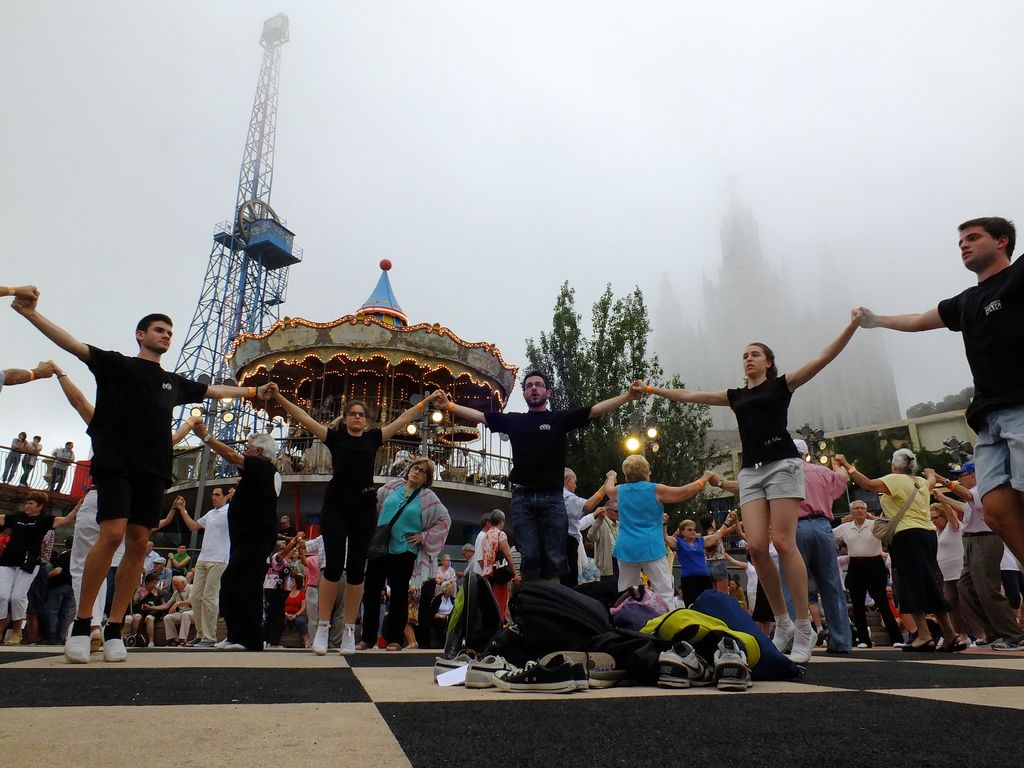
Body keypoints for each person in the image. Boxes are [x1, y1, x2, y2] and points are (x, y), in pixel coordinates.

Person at [10, 293, 272, 663]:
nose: (166, 336)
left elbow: (214, 390)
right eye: (159, 330)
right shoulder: (116, 365)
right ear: (140, 334)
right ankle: (84, 624)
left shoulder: (173, 381)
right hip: (117, 465)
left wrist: (252, 391)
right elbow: (69, 343)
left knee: (137, 544)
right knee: (112, 534)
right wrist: (31, 313)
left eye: (169, 332)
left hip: (154, 471)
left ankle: (115, 627)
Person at [644, 311, 862, 663]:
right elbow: (690, 395)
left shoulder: (782, 385)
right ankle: (782, 622)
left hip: (782, 465)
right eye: (744, 355)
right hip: (750, 471)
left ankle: (805, 625)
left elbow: (823, 359)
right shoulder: (734, 395)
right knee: (757, 547)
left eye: (755, 354)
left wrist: (851, 326)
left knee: (783, 542)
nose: (748, 359)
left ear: (769, 362)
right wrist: (653, 389)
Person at [856, 217, 1024, 569]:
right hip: (988, 420)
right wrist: (877, 320)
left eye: (974, 238)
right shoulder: (965, 302)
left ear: (1002, 241)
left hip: (1020, 406)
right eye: (961, 240)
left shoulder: (1018, 276)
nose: (964, 245)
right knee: (995, 511)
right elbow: (919, 321)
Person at [270, 385, 445, 655]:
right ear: (345, 417)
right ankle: (324, 626)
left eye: (361, 414)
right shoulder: (333, 437)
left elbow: (402, 420)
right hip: (336, 505)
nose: (357, 417)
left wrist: (427, 402)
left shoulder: (373, 439)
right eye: (352, 413)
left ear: (367, 419)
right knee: (333, 566)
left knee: (355, 570)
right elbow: (304, 418)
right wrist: (280, 397)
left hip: (363, 507)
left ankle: (350, 630)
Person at [442, 371, 640, 583]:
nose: (533, 388)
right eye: (529, 386)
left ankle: (551, 607)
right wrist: (449, 406)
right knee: (530, 557)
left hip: (552, 497)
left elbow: (594, 410)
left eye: (538, 385)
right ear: (525, 393)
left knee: (555, 558)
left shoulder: (559, 419)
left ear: (548, 392)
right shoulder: (514, 421)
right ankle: (530, 608)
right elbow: (480, 417)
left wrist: (627, 396)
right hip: (523, 497)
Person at [49, 365, 192, 654]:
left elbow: (79, 403)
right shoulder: (143, 434)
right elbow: (169, 443)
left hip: (103, 496)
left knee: (84, 564)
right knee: (114, 563)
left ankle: (88, 624)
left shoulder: (108, 425)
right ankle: (104, 623)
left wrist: (61, 374)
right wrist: (190, 425)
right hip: (129, 502)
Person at [836, 449, 958, 652]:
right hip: (927, 534)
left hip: (906, 535)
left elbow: (867, 484)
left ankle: (924, 635)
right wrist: (930, 474)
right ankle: (949, 633)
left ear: (894, 465)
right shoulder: (920, 481)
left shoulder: (895, 479)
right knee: (929, 582)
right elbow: (930, 481)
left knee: (910, 583)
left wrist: (848, 464)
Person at [191, 421, 281, 652]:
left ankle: (249, 637)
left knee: (243, 582)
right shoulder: (258, 473)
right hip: (245, 537)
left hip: (255, 537)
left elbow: (231, 455)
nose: (244, 450)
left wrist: (207, 436)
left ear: (259, 452)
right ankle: (235, 634)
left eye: (249, 447)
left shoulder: (263, 468)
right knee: (231, 581)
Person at [928, 463, 1024, 650]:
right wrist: (944, 499)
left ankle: (1014, 635)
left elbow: (968, 496)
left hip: (985, 539)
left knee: (987, 589)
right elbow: (965, 506)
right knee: (966, 588)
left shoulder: (984, 488)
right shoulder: (974, 491)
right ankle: (993, 632)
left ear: (973, 475)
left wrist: (942, 480)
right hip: (972, 540)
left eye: (961, 475)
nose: (959, 478)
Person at [358, 457, 450, 651]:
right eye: (415, 468)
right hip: (381, 546)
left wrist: (423, 536)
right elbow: (373, 504)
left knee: (399, 594)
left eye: (422, 471)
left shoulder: (427, 497)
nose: (416, 472)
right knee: (371, 590)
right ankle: (367, 637)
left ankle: (395, 639)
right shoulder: (392, 487)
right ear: (409, 470)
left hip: (404, 549)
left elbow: (444, 520)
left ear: (427, 478)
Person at [778, 439, 855, 654]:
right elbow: (842, 480)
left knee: (793, 584)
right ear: (805, 454)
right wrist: (838, 465)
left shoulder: (781, 473)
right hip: (823, 526)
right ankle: (841, 640)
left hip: (794, 526)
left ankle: (796, 639)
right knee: (830, 584)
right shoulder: (821, 471)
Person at [602, 457, 716, 602]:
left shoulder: (620, 491)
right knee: (664, 591)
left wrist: (611, 477)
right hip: (651, 547)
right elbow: (684, 492)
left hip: (626, 547)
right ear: (646, 471)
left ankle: (630, 621)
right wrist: (704, 478)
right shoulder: (655, 490)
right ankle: (666, 621)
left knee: (628, 591)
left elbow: (608, 490)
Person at [0, 492, 77, 646]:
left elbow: (67, 520)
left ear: (40, 506)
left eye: (31, 503)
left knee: (17, 597)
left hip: (28, 563)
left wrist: (77, 508)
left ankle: (17, 631)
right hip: (8, 561)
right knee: (2, 595)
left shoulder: (45, 520)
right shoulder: (16, 517)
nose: (27, 506)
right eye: (26, 503)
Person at [832, 500, 904, 648]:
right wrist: (842, 520)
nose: (859, 511)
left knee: (882, 602)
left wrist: (873, 517)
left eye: (862, 509)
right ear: (851, 512)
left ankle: (897, 637)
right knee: (857, 604)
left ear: (866, 511)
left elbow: (890, 527)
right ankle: (864, 639)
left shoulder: (874, 525)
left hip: (875, 563)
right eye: (856, 509)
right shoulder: (845, 527)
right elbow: (828, 534)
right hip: (856, 564)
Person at [174, 490, 230, 648]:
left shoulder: (230, 510)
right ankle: (200, 634)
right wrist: (182, 508)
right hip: (203, 558)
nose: (213, 497)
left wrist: (236, 496)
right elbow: (193, 526)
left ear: (225, 497)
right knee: (196, 597)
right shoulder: (210, 513)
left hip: (219, 559)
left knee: (209, 598)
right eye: (212, 494)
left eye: (217, 494)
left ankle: (209, 637)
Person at [667, 513, 737, 606]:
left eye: (693, 529)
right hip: (692, 577)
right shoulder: (679, 542)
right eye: (689, 529)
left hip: (705, 574)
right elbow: (666, 539)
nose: (693, 531)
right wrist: (665, 525)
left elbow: (719, 535)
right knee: (694, 604)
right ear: (682, 532)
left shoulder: (700, 540)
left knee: (709, 603)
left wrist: (727, 521)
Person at [562, 468, 603, 586]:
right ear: (569, 480)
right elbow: (588, 505)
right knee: (569, 584)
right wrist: (605, 487)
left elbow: (578, 524)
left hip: (567, 546)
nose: (576, 486)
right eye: (575, 482)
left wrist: (594, 515)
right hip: (566, 546)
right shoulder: (566, 496)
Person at [263, 537, 302, 648]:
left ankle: (264, 638)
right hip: (275, 589)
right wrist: (294, 540)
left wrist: (298, 545)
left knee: (272, 614)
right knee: (278, 616)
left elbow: (290, 553)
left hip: (280, 590)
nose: (288, 550)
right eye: (285, 549)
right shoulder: (276, 557)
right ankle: (274, 642)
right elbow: (286, 552)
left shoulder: (285, 561)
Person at [480, 509, 517, 622]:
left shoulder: (485, 535)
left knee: (489, 604)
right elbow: (508, 554)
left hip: (486, 575)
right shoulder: (500, 534)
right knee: (500, 605)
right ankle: (498, 629)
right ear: (501, 521)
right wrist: (514, 571)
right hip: (499, 574)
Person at [45, 543, 75, 643]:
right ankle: (62, 637)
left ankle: (51, 635)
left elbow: (58, 570)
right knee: (65, 613)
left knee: (52, 611)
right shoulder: (78, 556)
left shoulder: (64, 555)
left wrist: (46, 577)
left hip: (58, 586)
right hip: (71, 586)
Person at [162, 575, 193, 646]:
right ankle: (173, 639)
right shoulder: (176, 593)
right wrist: (152, 608)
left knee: (186, 614)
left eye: (176, 585)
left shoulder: (192, 588)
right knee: (167, 618)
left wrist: (178, 603)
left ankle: (183, 640)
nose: (175, 587)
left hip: (194, 612)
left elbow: (191, 601)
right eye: (174, 585)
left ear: (183, 583)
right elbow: (166, 605)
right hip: (182, 613)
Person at [283, 574, 308, 647]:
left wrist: (295, 615)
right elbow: (282, 605)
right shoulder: (286, 592)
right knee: (280, 620)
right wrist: (286, 614)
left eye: (292, 580)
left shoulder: (301, 593)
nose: (291, 582)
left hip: (297, 614)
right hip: (286, 613)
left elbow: (303, 607)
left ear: (297, 582)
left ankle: (306, 641)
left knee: (300, 621)